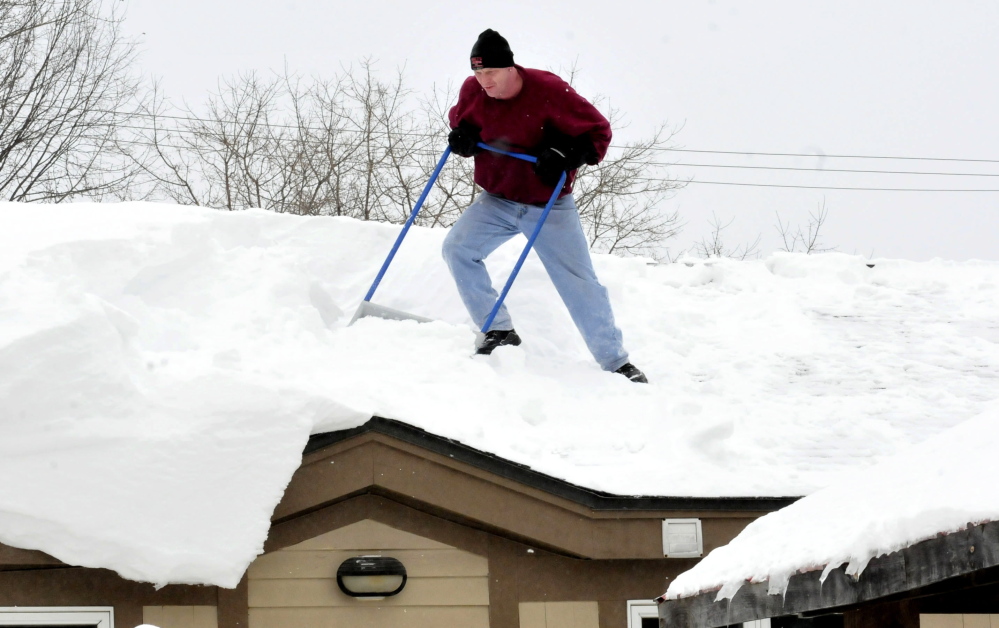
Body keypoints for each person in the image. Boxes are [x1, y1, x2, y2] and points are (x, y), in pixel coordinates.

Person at [442, 29, 647, 383]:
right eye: (478, 73)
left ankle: (615, 362)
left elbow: (598, 133)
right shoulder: (472, 90)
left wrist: (566, 153)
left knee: (578, 281)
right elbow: (461, 123)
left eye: (490, 72)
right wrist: (462, 139)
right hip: (498, 199)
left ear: (510, 68)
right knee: (458, 250)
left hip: (548, 205)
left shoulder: (548, 91)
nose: (483, 81)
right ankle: (499, 330)